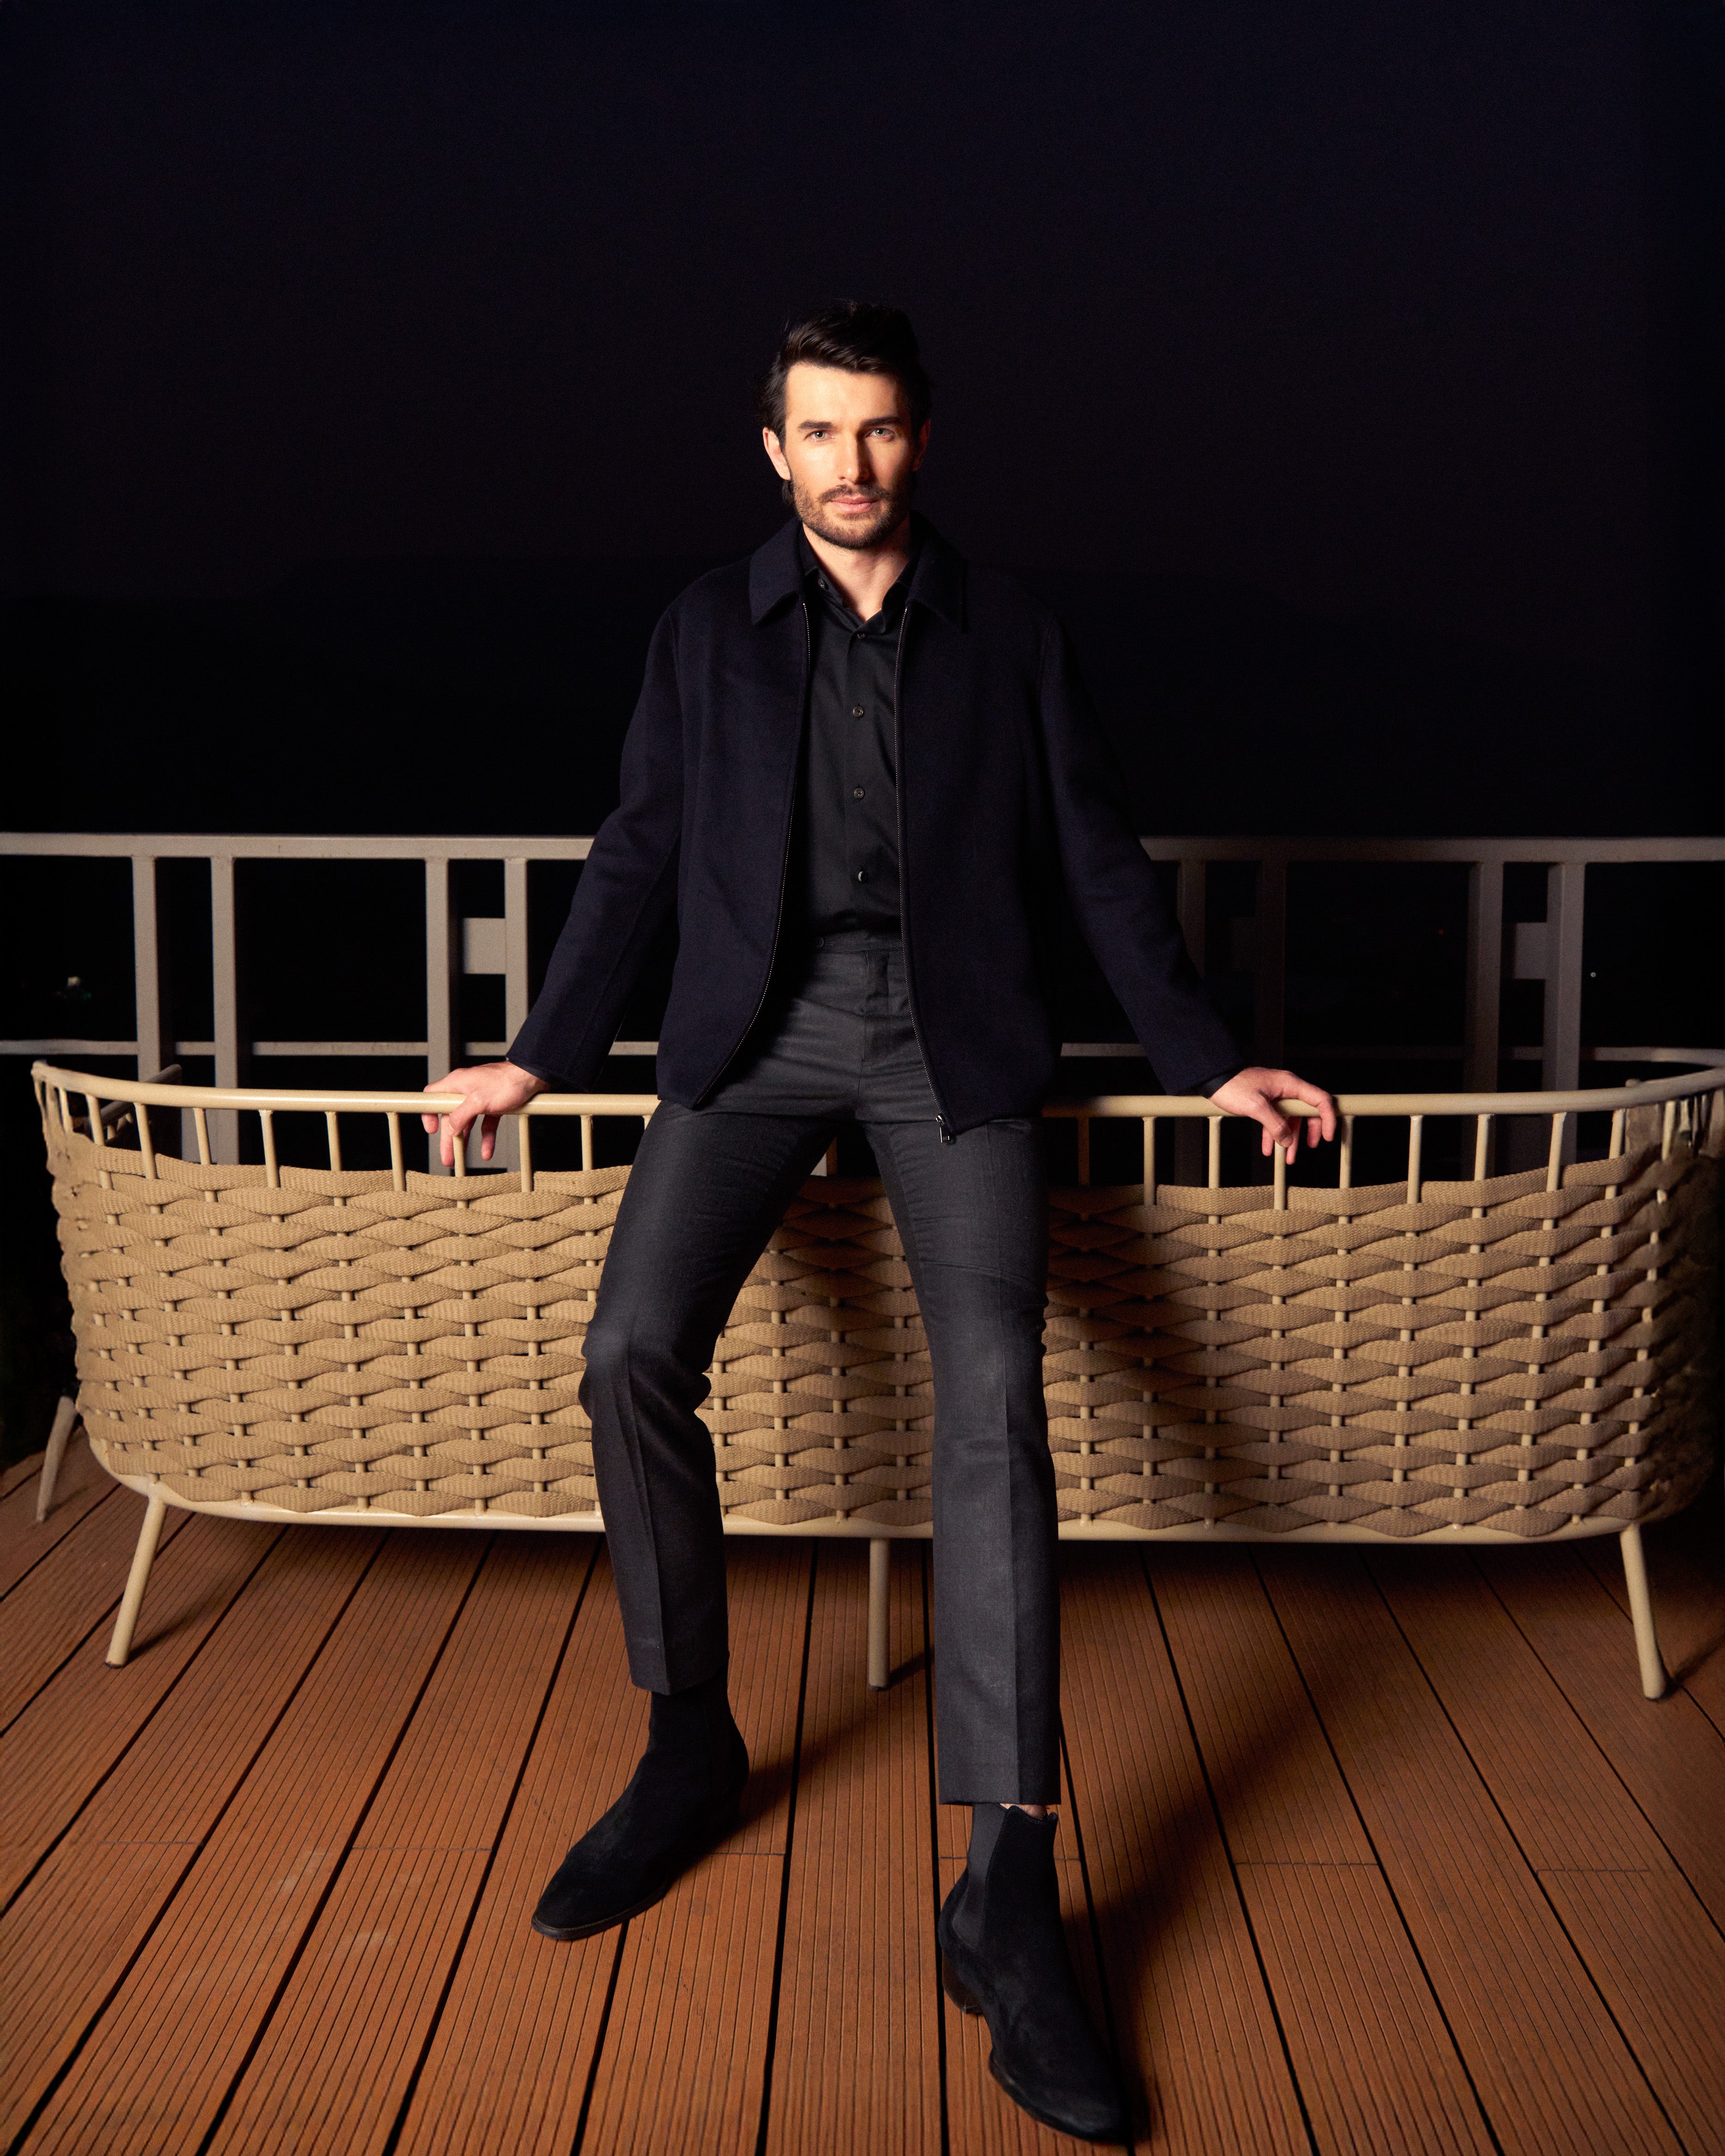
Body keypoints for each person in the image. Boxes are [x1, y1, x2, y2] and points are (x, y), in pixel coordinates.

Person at [423, 300, 1335, 2144]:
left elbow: (1097, 859)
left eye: (885, 428)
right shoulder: (706, 629)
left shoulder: (1014, 633)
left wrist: (1208, 1058)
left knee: (991, 1389)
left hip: (951, 1048)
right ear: (774, 450)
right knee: (628, 1350)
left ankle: (1004, 1880)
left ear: (925, 439)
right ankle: (690, 1739)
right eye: (822, 432)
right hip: (750, 1048)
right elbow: (640, 852)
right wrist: (536, 1053)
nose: (854, 463)